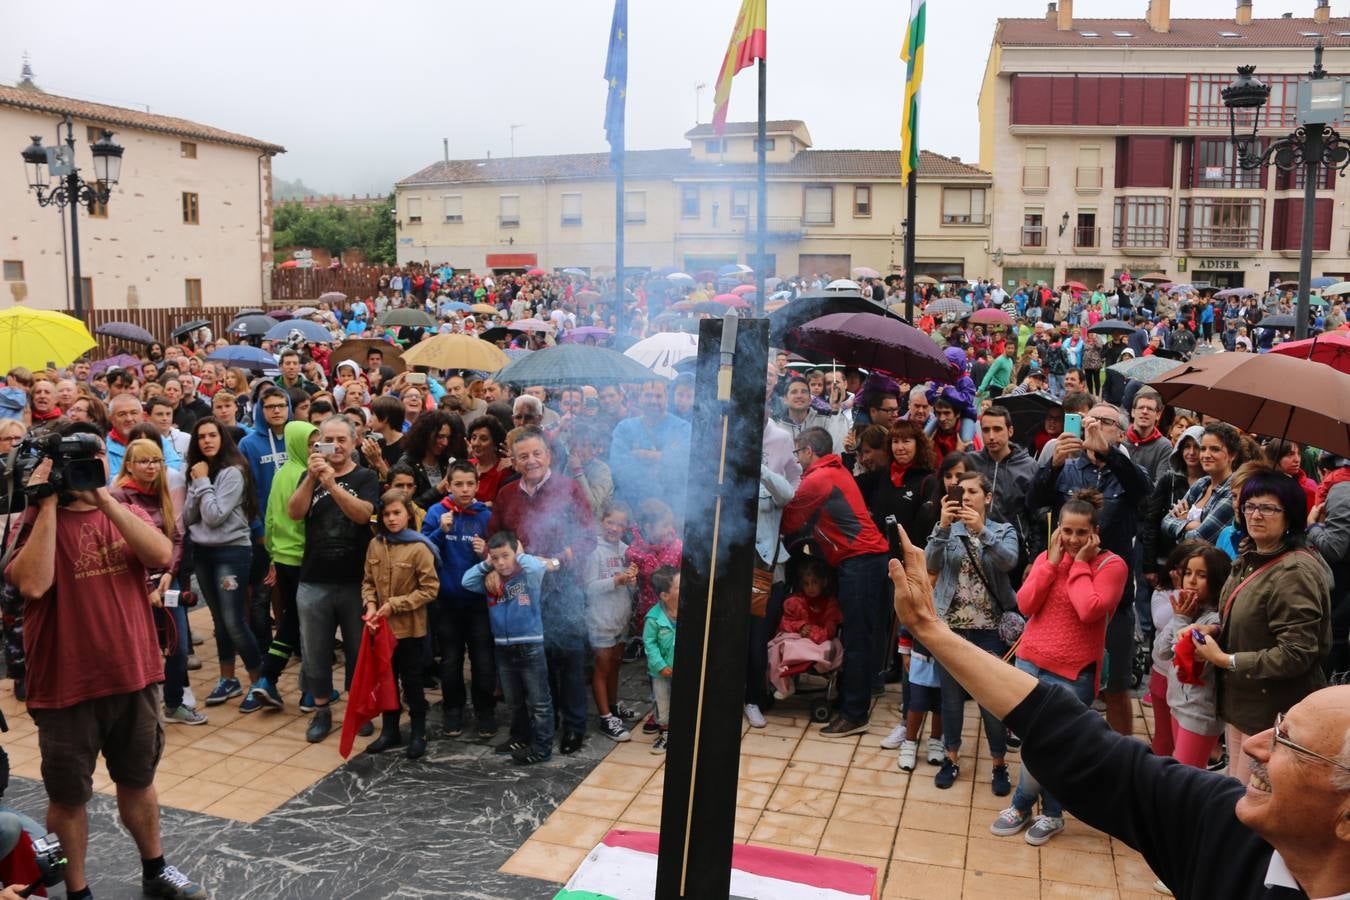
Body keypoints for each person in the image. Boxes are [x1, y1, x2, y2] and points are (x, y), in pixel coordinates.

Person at [888, 519, 1350, 900]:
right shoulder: (1226, 826)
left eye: (1289, 743)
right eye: (1276, 728)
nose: (1254, 745)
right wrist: (930, 629)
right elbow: (1083, 743)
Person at [4, 424, 206, 900]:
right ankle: (78, 891)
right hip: (65, 684)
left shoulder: (122, 506)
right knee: (69, 797)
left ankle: (156, 870)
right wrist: (48, 501)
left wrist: (103, 499)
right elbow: (33, 584)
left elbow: (159, 554)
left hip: (132, 672)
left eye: (93, 458)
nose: (85, 469)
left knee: (139, 781)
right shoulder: (29, 522)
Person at [991, 489, 1127, 845]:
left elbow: (1089, 610)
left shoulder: (1112, 565)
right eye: (1067, 531)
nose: (1073, 539)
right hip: (1030, 662)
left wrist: (1079, 564)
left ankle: (1028, 806)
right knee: (1031, 742)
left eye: (1082, 532)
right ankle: (1048, 813)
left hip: (1073, 672)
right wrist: (1051, 564)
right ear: (1057, 530)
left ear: (1096, 532)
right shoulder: (1047, 557)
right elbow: (1025, 603)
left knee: (1056, 745)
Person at [1191, 469, 1332, 784]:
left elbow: (1297, 653)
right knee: (1235, 793)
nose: (1256, 515)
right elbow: (1247, 619)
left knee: (1251, 808)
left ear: (1290, 516)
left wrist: (1225, 660)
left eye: (1268, 508)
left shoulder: (1294, 571)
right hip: (1244, 705)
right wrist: (1216, 633)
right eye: (1250, 506)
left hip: (1273, 712)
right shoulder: (1252, 556)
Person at [1029, 402, 1149, 736]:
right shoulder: (1067, 465)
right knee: (1061, 684)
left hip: (1112, 600)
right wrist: (1051, 466)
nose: (1094, 426)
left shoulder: (1128, 469)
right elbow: (1032, 502)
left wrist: (1110, 454)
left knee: (1116, 689)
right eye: (1089, 421)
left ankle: (1121, 762)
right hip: (1066, 596)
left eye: (1105, 422)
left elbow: (1143, 492)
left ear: (1121, 432)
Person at [489, 428, 597, 755]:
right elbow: (494, 538)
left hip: (563, 587)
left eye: (536, 453)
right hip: (522, 592)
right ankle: (538, 730)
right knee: (534, 665)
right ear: (514, 460)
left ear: (549, 455)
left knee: (571, 660)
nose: (531, 461)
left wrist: (558, 559)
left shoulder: (570, 489)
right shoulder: (507, 494)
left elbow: (589, 538)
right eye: (523, 456)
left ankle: (575, 727)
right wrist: (493, 567)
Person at [781, 427, 890, 737]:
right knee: (860, 635)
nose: (797, 460)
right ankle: (855, 698)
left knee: (857, 639)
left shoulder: (818, 479)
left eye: (797, 453)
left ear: (807, 451)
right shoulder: (833, 469)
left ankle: (854, 714)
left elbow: (790, 520)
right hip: (863, 560)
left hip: (861, 561)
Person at [286, 415, 381, 743]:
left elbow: (364, 514)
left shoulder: (367, 476)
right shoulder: (307, 475)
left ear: (355, 441)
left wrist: (331, 485)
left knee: (358, 650)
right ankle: (322, 709)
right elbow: (294, 513)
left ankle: (358, 708)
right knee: (315, 650)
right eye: (329, 440)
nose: (336, 446)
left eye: (343, 439)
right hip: (314, 579)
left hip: (357, 580)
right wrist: (312, 479)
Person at [923, 471, 1018, 794]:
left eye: (973, 491)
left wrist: (981, 533)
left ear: (987, 498)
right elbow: (930, 564)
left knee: (992, 703)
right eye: (960, 491)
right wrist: (943, 527)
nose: (965, 496)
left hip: (990, 631)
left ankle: (999, 764)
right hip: (951, 630)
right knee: (950, 701)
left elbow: (1008, 562)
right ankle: (951, 758)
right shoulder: (947, 531)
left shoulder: (1002, 531)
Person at [110, 439, 204, 727]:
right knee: (136, 647)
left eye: (156, 461)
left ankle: (173, 703)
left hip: (166, 581)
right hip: (133, 585)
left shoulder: (162, 490)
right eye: (144, 461)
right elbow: (120, 546)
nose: (151, 467)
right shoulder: (118, 497)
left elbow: (176, 536)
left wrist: (169, 573)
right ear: (129, 465)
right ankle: (134, 712)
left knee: (178, 645)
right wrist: (147, 586)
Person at [183, 417, 264, 710]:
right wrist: (198, 484)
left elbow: (215, 515)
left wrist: (202, 482)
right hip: (204, 553)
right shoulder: (198, 472)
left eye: (212, 435)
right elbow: (188, 517)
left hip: (231, 552)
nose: (206, 441)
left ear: (222, 438)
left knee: (234, 620)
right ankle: (227, 678)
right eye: (201, 436)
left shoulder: (234, 471)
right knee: (220, 621)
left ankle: (259, 682)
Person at [461, 531, 556, 765]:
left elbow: (537, 568)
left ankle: (543, 747)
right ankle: (520, 738)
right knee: (514, 701)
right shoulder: (490, 580)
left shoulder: (528, 576)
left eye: (506, 556)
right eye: (496, 557)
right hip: (503, 649)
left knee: (540, 703)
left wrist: (520, 555)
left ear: (516, 554)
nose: (502, 562)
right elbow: (466, 581)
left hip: (530, 646)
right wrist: (487, 565)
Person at [361, 489, 440, 759]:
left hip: (411, 630)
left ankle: (418, 732)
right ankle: (390, 730)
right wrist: (371, 606)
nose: (392, 519)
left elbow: (430, 590)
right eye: (387, 514)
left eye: (397, 513)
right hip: (381, 629)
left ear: (409, 514)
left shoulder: (419, 547)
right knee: (386, 680)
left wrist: (395, 604)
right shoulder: (375, 545)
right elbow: (368, 582)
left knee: (412, 681)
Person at [422, 462, 496, 739]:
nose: (464, 489)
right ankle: (453, 710)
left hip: (478, 603)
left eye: (470, 484)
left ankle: (484, 711)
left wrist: (485, 552)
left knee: (483, 661)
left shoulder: (485, 516)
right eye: (458, 484)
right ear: (449, 486)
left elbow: (500, 558)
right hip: (447, 602)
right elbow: (421, 551)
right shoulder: (436, 512)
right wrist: (440, 531)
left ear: (477, 486)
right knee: (450, 660)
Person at [249, 420, 317, 711]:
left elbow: (271, 518)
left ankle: (268, 678)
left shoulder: (281, 473)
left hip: (284, 559)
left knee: (292, 619)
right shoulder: (306, 475)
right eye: (311, 444)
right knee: (309, 625)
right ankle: (307, 691)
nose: (316, 448)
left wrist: (275, 557)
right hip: (305, 559)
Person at [1154, 543, 1233, 768]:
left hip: (1200, 713)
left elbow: (1184, 653)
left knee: (1184, 779)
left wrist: (1182, 620)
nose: (1191, 581)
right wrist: (1180, 618)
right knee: (1180, 773)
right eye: (1188, 573)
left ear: (1217, 580)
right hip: (1179, 705)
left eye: (1201, 575)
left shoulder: (1214, 620)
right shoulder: (1188, 613)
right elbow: (1160, 652)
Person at [586, 502, 638, 742]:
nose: (615, 528)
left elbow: (631, 589)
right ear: (601, 521)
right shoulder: (593, 549)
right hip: (600, 620)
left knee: (616, 664)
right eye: (610, 522)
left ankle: (613, 705)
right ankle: (605, 717)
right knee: (602, 667)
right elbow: (588, 588)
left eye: (620, 524)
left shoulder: (627, 550)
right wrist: (616, 581)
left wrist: (632, 579)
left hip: (620, 619)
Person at [609, 379, 692, 526]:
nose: (653, 401)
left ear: (667, 398)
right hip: (632, 508)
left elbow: (684, 463)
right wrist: (663, 460)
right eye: (648, 395)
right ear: (640, 398)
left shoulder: (682, 428)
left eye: (658, 396)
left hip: (670, 511)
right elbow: (619, 467)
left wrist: (647, 455)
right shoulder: (625, 428)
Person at [767, 558, 842, 701]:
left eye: (815, 582)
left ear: (823, 582)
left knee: (829, 647)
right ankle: (785, 683)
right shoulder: (796, 601)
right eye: (806, 584)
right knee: (783, 645)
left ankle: (804, 667)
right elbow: (786, 622)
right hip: (799, 638)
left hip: (821, 639)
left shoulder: (830, 604)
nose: (811, 588)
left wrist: (813, 632)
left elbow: (830, 630)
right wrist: (800, 626)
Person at [643, 566, 680, 756]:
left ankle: (681, 733)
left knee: (681, 702)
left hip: (683, 671)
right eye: (679, 586)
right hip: (661, 673)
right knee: (663, 703)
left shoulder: (688, 611)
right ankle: (664, 734)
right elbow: (650, 645)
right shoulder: (653, 618)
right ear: (665, 596)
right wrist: (661, 666)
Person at [397, 410, 465, 510]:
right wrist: (439, 489)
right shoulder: (407, 463)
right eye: (440, 437)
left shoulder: (448, 461)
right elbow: (406, 506)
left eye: (448, 437)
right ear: (425, 435)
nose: (445, 443)